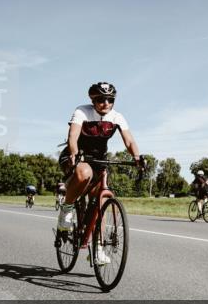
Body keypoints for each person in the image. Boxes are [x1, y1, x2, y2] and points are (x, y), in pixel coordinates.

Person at [56, 81, 144, 265]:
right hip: (76, 156)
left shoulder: (117, 116)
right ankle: (66, 210)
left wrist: (137, 156)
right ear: (93, 100)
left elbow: (129, 141)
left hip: (99, 159)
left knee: (100, 202)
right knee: (84, 172)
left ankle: (97, 248)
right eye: (101, 100)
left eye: (110, 100)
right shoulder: (82, 111)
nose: (106, 103)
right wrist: (73, 152)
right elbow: (73, 136)